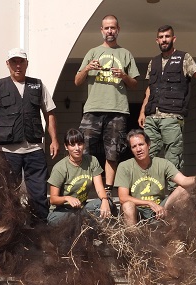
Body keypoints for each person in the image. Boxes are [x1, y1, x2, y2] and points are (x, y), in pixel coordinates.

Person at [0, 48, 59, 223]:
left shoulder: (37, 85)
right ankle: (10, 230)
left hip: (35, 150)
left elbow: (50, 113)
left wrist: (54, 140)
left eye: (21, 61)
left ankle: (40, 232)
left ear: (26, 64)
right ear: (7, 64)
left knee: (38, 194)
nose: (18, 65)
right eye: (14, 61)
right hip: (8, 151)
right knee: (8, 194)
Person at [75, 14, 140, 199]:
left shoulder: (125, 53)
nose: (110, 31)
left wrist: (124, 76)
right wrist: (88, 68)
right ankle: (82, 189)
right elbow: (77, 81)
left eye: (113, 28)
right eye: (106, 28)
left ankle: (108, 192)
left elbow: (135, 84)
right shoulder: (92, 52)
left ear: (118, 30)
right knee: (82, 149)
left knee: (113, 152)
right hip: (92, 110)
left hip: (117, 110)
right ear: (101, 30)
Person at [138, 25, 196, 176]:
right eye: (161, 37)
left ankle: (174, 197)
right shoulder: (153, 62)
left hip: (172, 117)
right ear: (157, 40)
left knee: (173, 159)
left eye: (167, 36)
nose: (164, 40)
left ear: (173, 38)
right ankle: (149, 194)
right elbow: (149, 89)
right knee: (145, 156)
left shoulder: (184, 58)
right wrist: (142, 112)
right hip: (151, 118)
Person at [115, 129, 196, 226]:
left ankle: (175, 229)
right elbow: (123, 197)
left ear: (148, 145)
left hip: (160, 209)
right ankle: (133, 239)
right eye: (134, 146)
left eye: (141, 144)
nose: (138, 149)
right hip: (138, 211)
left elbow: (183, 180)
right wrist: (149, 203)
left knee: (182, 189)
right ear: (131, 149)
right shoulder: (125, 166)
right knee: (127, 205)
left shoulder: (162, 163)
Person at [47, 129, 113, 225]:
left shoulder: (92, 160)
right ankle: (84, 225)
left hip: (81, 209)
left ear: (84, 145)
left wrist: (105, 200)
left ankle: (90, 227)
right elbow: (53, 199)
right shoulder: (60, 168)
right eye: (72, 145)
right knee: (63, 219)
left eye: (80, 144)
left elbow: (99, 188)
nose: (77, 148)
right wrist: (67, 198)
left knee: (108, 204)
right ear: (66, 147)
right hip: (62, 211)